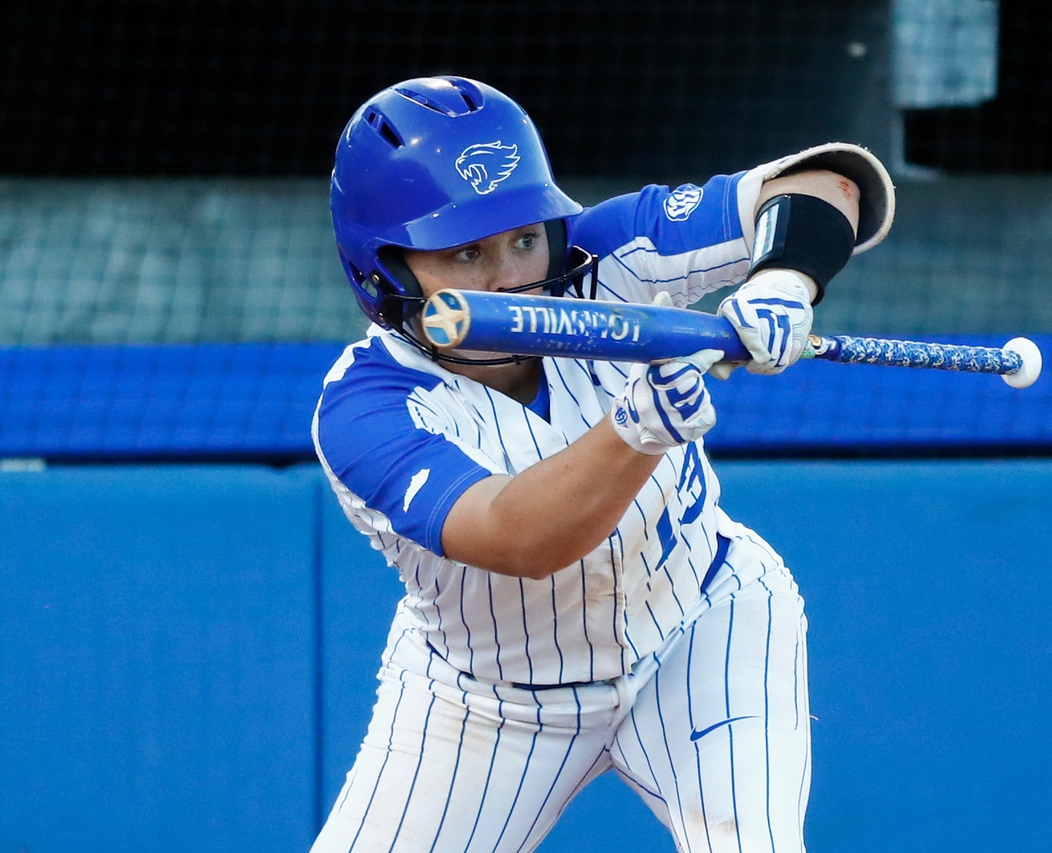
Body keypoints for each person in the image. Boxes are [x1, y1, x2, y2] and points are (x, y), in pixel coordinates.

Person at [311, 76, 894, 853]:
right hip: (490, 701)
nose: (509, 277)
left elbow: (826, 184)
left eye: (523, 239)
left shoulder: (603, 255)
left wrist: (783, 277)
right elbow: (519, 538)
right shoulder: (365, 409)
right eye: (464, 252)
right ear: (382, 271)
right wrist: (636, 428)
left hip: (701, 626)